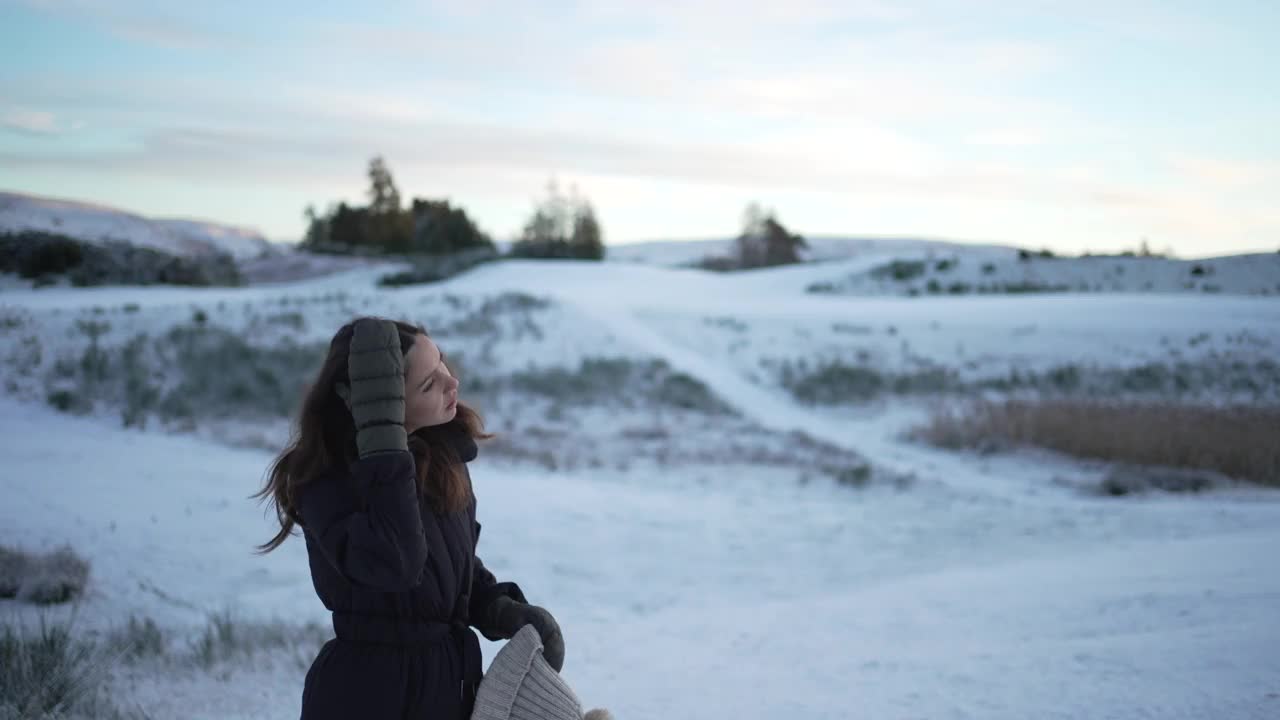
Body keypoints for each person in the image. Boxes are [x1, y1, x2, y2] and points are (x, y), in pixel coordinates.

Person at [253, 317, 565, 719]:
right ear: (380, 405)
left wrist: (501, 608)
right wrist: (384, 447)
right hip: (371, 698)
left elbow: (452, 571)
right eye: (428, 384)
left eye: (443, 365)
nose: (452, 383)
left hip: (449, 689)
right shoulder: (329, 480)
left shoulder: (439, 459)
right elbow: (395, 563)